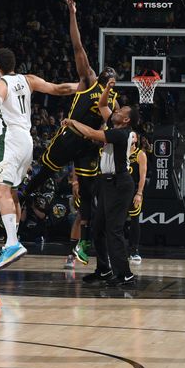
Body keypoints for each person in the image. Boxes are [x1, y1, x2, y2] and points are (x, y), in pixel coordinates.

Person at [0, 47, 77, 270]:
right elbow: (60, 89)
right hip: (27, 143)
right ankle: (13, 240)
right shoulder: (28, 80)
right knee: (11, 192)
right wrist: (85, 86)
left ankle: (11, 243)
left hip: (10, 139)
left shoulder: (0, 83)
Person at [22, 0, 119, 266]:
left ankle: (84, 244)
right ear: (101, 76)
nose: (111, 77)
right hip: (70, 137)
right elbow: (77, 46)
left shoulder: (114, 99)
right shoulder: (87, 79)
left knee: (87, 192)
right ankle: (25, 196)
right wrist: (73, 13)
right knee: (46, 170)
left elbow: (114, 124)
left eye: (114, 77)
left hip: (89, 142)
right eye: (108, 74)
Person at [63, 79, 140, 286]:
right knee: (97, 229)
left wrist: (72, 122)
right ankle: (104, 270)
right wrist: (107, 88)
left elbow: (91, 133)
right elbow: (102, 105)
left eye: (122, 110)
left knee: (113, 230)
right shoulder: (115, 125)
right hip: (106, 182)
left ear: (126, 120)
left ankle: (125, 274)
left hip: (119, 183)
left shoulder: (121, 134)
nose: (117, 110)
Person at [127, 135, 148, 263]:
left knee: (135, 220)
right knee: (116, 222)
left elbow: (142, 176)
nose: (130, 137)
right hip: (120, 191)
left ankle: (134, 251)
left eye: (133, 135)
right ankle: (113, 250)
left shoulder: (140, 154)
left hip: (134, 191)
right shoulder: (119, 152)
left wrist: (139, 193)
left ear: (136, 140)